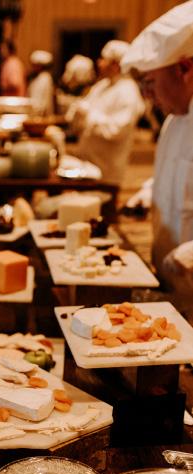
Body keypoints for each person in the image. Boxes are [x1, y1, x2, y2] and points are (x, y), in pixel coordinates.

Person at [120, 0, 193, 276]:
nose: (146, 95)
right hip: (169, 277)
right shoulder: (173, 122)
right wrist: (148, 193)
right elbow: (178, 174)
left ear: (184, 69)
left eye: (150, 82)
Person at [66, 40, 145, 185]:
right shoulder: (102, 85)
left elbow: (117, 130)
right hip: (88, 164)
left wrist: (88, 115)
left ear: (115, 65)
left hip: (106, 170)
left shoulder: (128, 91)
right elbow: (82, 112)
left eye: (103, 59)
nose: (99, 63)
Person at [27, 50, 54, 116]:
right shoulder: (37, 77)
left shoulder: (45, 78)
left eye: (35, 65)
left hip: (40, 115)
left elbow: (41, 102)